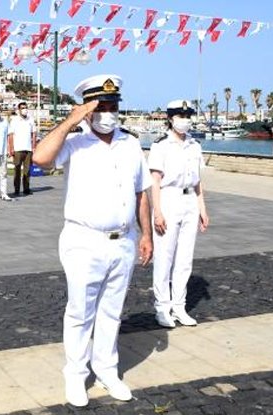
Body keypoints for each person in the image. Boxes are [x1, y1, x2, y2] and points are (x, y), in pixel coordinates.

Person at [32, 75, 153, 407]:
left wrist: (147, 235)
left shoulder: (130, 143)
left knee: (112, 312)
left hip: (123, 240)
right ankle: (75, 374)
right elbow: (40, 158)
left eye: (113, 106)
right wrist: (71, 119)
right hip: (84, 240)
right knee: (81, 311)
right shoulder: (74, 142)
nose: (108, 113)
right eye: (101, 107)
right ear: (87, 109)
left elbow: (142, 191)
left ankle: (106, 370)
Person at [149, 100, 210, 329]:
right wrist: (157, 212)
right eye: (180, 116)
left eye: (187, 116)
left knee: (185, 259)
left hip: (189, 202)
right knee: (164, 257)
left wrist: (202, 208)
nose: (185, 119)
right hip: (169, 198)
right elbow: (155, 181)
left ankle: (179, 306)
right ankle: (162, 308)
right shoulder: (161, 145)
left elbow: (198, 181)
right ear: (171, 118)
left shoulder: (194, 145)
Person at [8, 102, 37, 196]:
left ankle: (26, 188)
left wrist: (34, 147)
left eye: (26, 108)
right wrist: (11, 148)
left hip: (28, 149)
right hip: (17, 149)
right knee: (17, 170)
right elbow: (11, 135)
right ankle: (16, 189)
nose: (25, 109)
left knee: (27, 170)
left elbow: (34, 134)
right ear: (19, 110)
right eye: (22, 108)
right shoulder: (14, 120)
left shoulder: (31, 120)